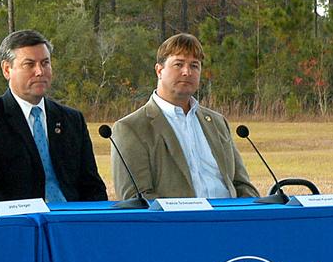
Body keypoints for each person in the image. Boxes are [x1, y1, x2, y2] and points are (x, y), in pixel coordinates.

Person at [0, 29, 107, 204]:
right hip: (18, 224)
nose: (39, 71)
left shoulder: (72, 120)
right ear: (7, 69)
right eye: (29, 64)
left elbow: (93, 187)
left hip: (71, 222)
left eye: (45, 63)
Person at [110, 32, 259, 200]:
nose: (187, 72)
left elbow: (242, 185)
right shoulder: (131, 128)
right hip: (176, 223)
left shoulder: (217, 122)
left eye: (194, 66)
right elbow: (137, 199)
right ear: (159, 70)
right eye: (178, 64)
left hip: (229, 221)